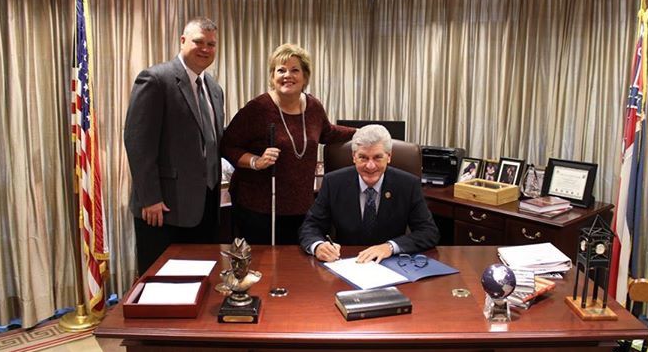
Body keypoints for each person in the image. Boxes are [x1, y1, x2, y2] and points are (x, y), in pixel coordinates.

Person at [221, 43, 354, 245]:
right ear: (272, 76)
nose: (287, 75)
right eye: (281, 70)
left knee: (296, 267)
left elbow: (327, 132)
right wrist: (256, 161)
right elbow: (228, 145)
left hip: (301, 205)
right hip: (260, 207)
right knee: (264, 268)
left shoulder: (313, 106)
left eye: (294, 70)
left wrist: (363, 132)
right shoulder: (258, 108)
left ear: (305, 76)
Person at [124, 17, 224, 275]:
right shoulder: (156, 79)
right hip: (163, 207)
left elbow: (214, 140)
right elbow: (137, 141)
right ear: (182, 41)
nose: (205, 49)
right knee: (162, 282)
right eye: (198, 42)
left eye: (211, 44)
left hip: (207, 203)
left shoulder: (213, 87)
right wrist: (150, 198)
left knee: (199, 276)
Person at [298, 124, 440, 263]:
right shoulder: (333, 182)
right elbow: (310, 226)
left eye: (377, 157)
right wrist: (318, 246)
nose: (370, 166)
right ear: (354, 157)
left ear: (389, 157)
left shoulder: (408, 185)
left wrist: (390, 247)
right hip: (346, 263)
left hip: (392, 265)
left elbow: (429, 232)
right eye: (363, 157)